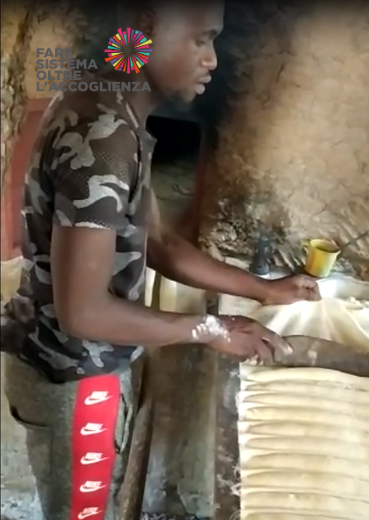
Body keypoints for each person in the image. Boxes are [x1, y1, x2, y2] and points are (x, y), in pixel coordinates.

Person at [0, 1, 319, 519]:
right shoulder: (103, 136)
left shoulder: (114, 106)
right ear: (144, 29)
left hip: (84, 368)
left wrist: (264, 289)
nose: (212, 59)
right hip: (71, 375)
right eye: (201, 38)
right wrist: (211, 328)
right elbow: (83, 311)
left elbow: (160, 244)